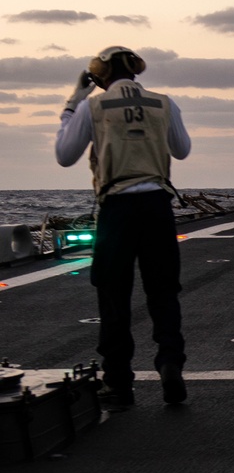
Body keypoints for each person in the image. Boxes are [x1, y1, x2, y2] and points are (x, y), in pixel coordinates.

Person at [55, 46, 191, 406]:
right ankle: (170, 362)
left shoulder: (93, 107)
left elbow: (64, 155)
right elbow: (182, 149)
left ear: (98, 76)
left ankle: (118, 380)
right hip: (157, 206)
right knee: (163, 291)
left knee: (113, 295)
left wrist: (72, 104)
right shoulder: (164, 103)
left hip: (117, 208)